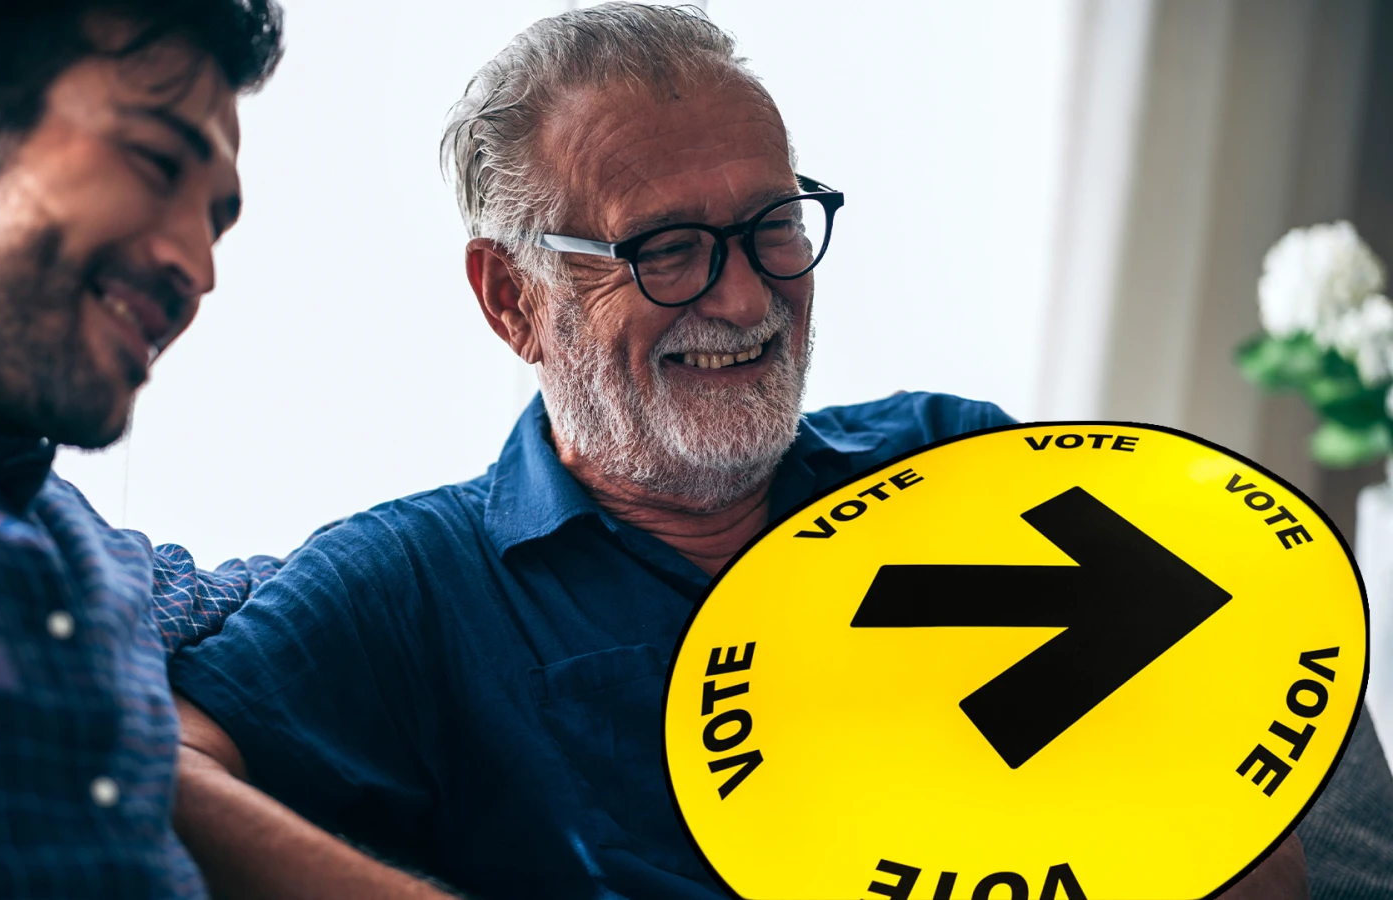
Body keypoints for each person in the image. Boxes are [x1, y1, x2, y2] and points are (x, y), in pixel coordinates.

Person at [164, 4, 1319, 899]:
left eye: (772, 226)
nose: (742, 296)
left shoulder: (953, 461)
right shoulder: (412, 585)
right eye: (665, 249)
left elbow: (1218, 776)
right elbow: (159, 769)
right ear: (513, 298)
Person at [0, 1, 451, 897]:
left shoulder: (85, 553)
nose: (199, 267)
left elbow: (316, 584)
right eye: (153, 161)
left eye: (215, 221)